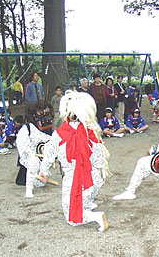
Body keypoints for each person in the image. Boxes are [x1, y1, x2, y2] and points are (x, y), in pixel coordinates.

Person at [39, 91, 110, 232]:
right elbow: (98, 155)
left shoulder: (59, 134)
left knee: (71, 218)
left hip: (74, 178)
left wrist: (44, 170)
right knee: (88, 192)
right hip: (93, 177)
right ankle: (88, 203)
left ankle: (95, 217)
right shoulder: (90, 132)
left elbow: (49, 154)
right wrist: (103, 175)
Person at [16, 101, 54, 197]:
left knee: (41, 180)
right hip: (28, 152)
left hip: (39, 153)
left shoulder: (46, 126)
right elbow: (22, 143)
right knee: (33, 164)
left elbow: (48, 139)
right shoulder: (28, 128)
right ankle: (28, 190)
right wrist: (30, 154)